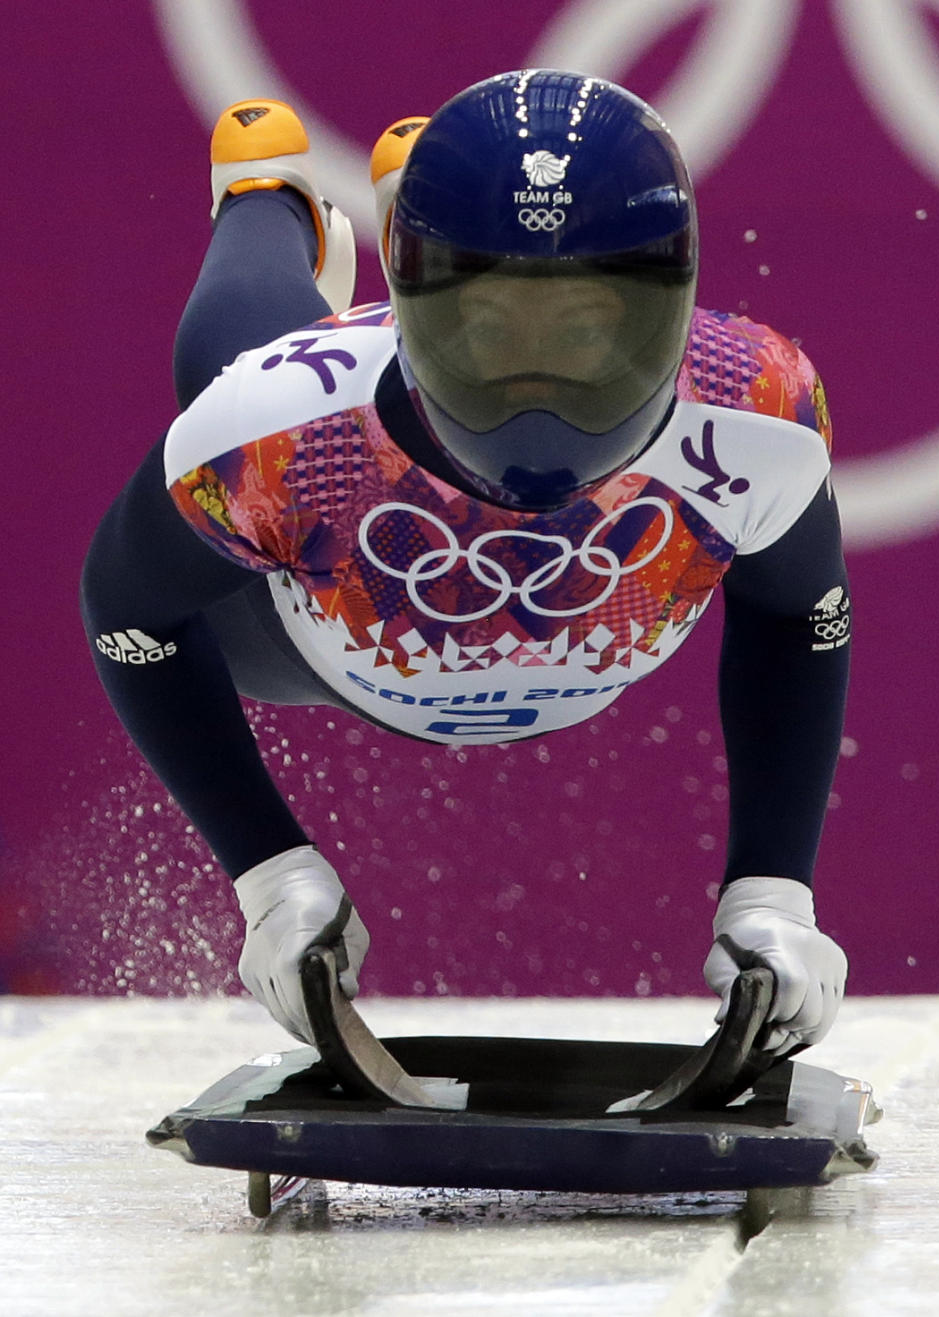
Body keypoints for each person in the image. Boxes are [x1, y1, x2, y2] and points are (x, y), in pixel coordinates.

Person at [81, 71, 850, 1055]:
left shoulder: (761, 409)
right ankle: (261, 198)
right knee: (226, 391)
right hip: (294, 634)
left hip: (354, 617)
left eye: (585, 326)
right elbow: (127, 609)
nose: (541, 393)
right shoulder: (281, 432)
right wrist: (270, 873)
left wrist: (776, 890)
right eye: (488, 326)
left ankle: (410, 208)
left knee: (241, 430)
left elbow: (801, 618)